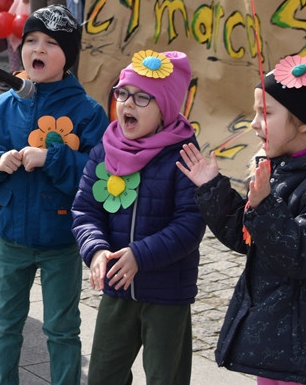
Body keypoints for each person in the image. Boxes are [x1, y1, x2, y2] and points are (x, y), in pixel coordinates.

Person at [178, 55, 306, 385]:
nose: (254, 122)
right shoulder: (284, 167)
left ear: (305, 122)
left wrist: (265, 205)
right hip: (275, 339)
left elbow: (305, 258)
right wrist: (213, 189)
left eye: (265, 113)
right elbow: (247, 237)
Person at [0, 5, 110, 385]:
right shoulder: (1, 105)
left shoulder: (88, 112)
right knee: (4, 324)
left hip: (62, 238)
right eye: (31, 41)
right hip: (12, 234)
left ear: (68, 56)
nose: (38, 49)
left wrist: (53, 157)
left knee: (62, 328)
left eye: (50, 43)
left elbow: (101, 176)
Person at [71, 50, 205, 384]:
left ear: (167, 108)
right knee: (103, 374)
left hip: (166, 294)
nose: (127, 104)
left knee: (166, 376)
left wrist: (139, 256)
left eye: (143, 97)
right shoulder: (106, 148)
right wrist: (97, 250)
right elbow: (85, 210)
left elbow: (190, 224)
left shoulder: (184, 154)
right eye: (122, 93)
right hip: (118, 290)